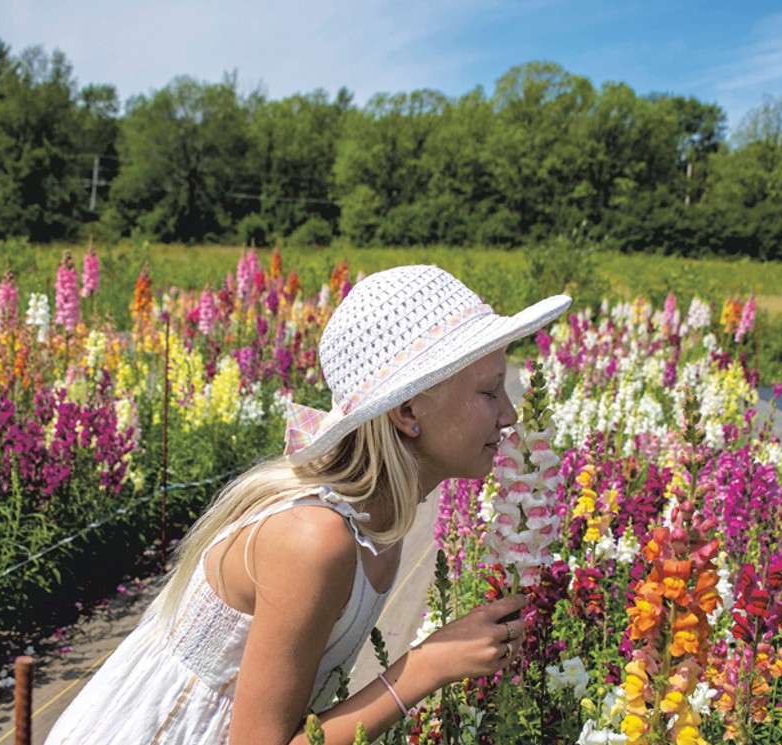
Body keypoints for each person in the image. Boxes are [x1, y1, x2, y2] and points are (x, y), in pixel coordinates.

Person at [44, 265, 571, 744]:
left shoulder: (379, 518)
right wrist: (428, 665)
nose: (509, 416)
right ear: (408, 412)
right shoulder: (314, 538)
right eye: (489, 393)